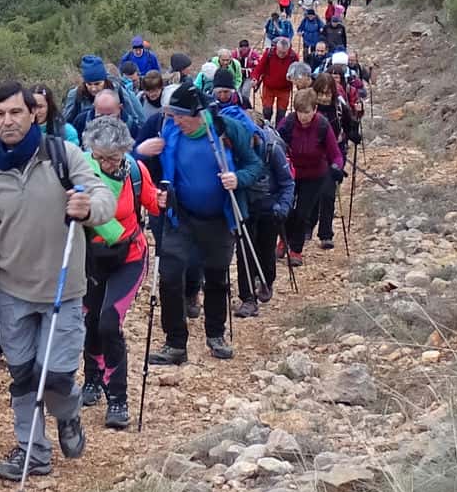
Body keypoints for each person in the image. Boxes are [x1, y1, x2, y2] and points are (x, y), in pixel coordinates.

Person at [0, 80, 96, 481]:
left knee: (55, 376)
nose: (7, 121)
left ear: (33, 114)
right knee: (23, 376)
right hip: (12, 292)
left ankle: (67, 413)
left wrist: (89, 206)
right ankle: (32, 451)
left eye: (15, 112)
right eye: (0, 114)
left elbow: (98, 193)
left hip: (63, 289)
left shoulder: (63, 155)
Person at [139, 83, 256, 364]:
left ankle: (216, 335)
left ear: (198, 114)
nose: (175, 121)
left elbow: (255, 165)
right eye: (173, 115)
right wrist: (142, 152)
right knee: (169, 277)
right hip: (180, 217)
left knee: (216, 277)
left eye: (180, 116)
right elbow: (146, 168)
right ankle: (175, 344)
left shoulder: (227, 130)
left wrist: (238, 179)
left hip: (219, 218)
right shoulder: (169, 132)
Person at [74, 114, 161, 430]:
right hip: (91, 259)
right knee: (91, 321)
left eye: (113, 157)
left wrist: (166, 199)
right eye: (100, 157)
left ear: (125, 150)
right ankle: (92, 378)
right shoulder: (82, 170)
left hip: (130, 257)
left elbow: (154, 205)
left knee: (109, 322)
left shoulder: (136, 172)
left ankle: (117, 398)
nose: (107, 164)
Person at [227, 95, 293, 314]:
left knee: (266, 249)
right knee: (244, 251)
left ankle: (266, 280)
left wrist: (282, 207)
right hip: (244, 206)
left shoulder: (272, 149)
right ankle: (247, 298)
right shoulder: (233, 150)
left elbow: (287, 182)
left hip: (269, 207)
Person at [278, 87, 346, 256]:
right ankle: (284, 239)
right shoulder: (288, 123)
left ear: (315, 109)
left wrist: (336, 167)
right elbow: (275, 144)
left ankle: (296, 250)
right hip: (290, 174)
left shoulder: (322, 125)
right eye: (299, 112)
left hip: (314, 176)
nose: (303, 116)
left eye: (307, 112)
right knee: (285, 209)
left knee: (303, 213)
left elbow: (336, 154)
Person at [251, 35, 297, 119]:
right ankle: (267, 125)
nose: (281, 55)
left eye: (284, 53)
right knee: (267, 111)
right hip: (269, 87)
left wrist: (294, 78)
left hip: (284, 89)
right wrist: (255, 78)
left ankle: (279, 126)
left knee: (281, 113)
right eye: (279, 52)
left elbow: (296, 70)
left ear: (288, 50)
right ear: (276, 48)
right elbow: (259, 68)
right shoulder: (269, 53)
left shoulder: (293, 56)